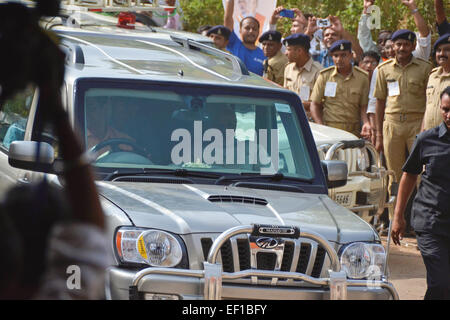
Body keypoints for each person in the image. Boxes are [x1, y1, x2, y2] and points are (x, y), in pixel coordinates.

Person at [391, 86, 450, 300]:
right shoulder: (427, 140)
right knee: (441, 282)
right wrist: (398, 217)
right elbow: (408, 176)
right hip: (430, 223)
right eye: (445, 109)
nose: (449, 115)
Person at [373, 29, 432, 197]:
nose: (402, 48)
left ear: (413, 46)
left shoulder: (425, 68)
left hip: (417, 124)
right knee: (394, 175)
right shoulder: (383, 70)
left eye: (406, 44)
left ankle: (421, 219)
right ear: (393, 46)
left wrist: (425, 129)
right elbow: (379, 102)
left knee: (421, 174)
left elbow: (430, 101)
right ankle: (394, 218)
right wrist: (378, 134)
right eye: (398, 44)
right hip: (392, 125)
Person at [310, 40, 370, 138]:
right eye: (336, 56)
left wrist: (366, 123)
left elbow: (364, 106)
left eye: (343, 55)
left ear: (351, 55)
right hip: (330, 130)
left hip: (353, 131)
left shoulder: (362, 77)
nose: (339, 59)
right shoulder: (325, 76)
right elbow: (314, 104)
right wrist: (321, 127)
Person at [358, 0, 431, 63]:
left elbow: (424, 37)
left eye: (387, 41)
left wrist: (413, 8)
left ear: (394, 45)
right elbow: (364, 36)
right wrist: (366, 10)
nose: (383, 45)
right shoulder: (378, 64)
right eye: (380, 42)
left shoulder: (415, 58)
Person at [283, 33, 323, 117]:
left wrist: (298, 104)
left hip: (309, 120)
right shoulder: (288, 68)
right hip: (290, 117)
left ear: (299, 51)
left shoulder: (318, 71)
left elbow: (322, 102)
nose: (285, 53)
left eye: (288, 49)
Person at [223, 0, 265, 76]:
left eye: (254, 29)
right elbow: (228, 19)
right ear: (240, 30)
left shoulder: (264, 55)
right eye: (247, 28)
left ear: (258, 32)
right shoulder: (233, 43)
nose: (251, 31)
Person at [422, 34, 450, 131]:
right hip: (431, 134)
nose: (442, 53)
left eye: (447, 50)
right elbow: (428, 106)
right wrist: (422, 131)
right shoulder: (433, 75)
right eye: (438, 50)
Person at [359, 50, 381, 143]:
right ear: (360, 64)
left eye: (373, 63)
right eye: (366, 62)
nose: (369, 66)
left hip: (377, 124)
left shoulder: (380, 82)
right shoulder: (355, 81)